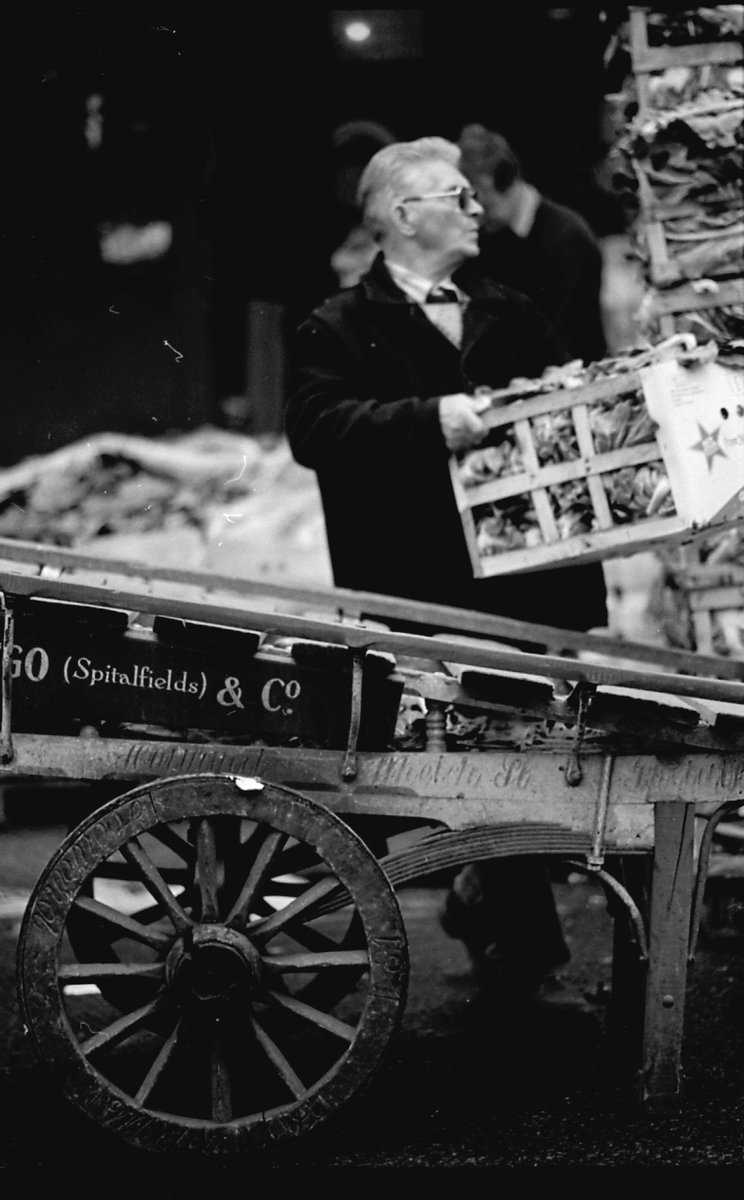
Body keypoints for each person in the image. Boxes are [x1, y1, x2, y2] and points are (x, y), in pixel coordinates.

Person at [285, 136, 607, 1010]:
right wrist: (433, 419)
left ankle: (503, 925)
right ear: (401, 215)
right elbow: (317, 430)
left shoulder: (511, 306)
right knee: (445, 771)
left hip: (517, 590)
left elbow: (570, 407)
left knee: (519, 764)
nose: (476, 207)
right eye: (455, 196)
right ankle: (487, 936)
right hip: (412, 586)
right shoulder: (337, 324)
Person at [455, 123, 608, 367]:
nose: (476, 210)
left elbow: (569, 337)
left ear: (505, 179)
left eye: (479, 193)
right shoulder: (487, 238)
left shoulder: (566, 236)